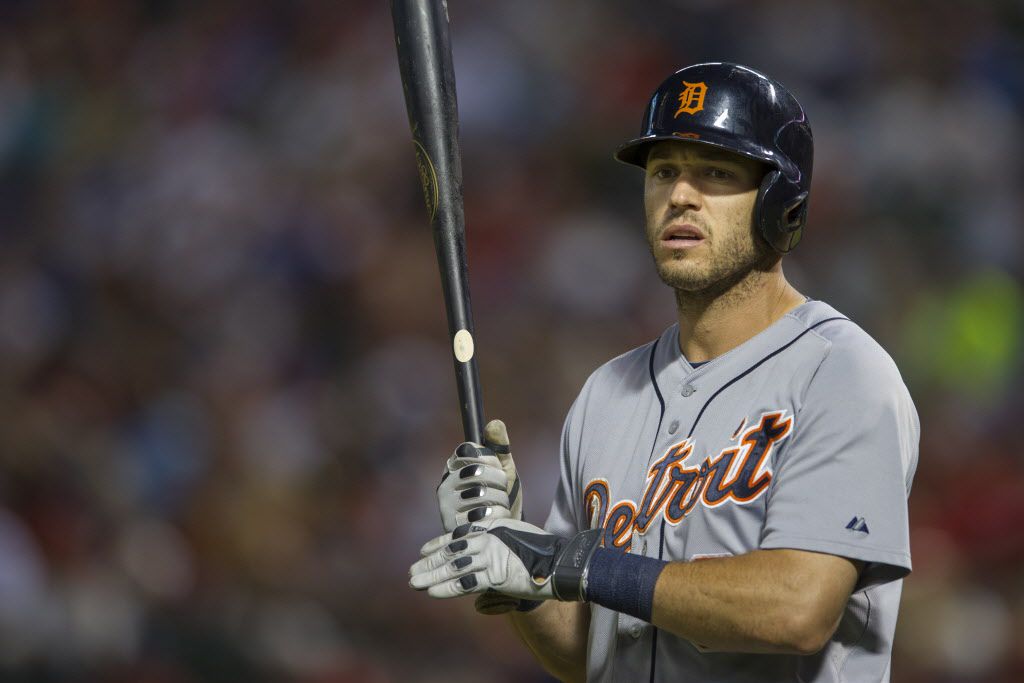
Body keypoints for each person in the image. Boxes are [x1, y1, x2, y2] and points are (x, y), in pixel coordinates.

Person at [410, 62, 919, 683]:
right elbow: (583, 650)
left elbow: (798, 609)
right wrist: (515, 555)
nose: (680, 194)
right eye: (664, 172)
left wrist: (574, 564)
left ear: (781, 202)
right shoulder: (606, 393)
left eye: (716, 172)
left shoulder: (841, 373)